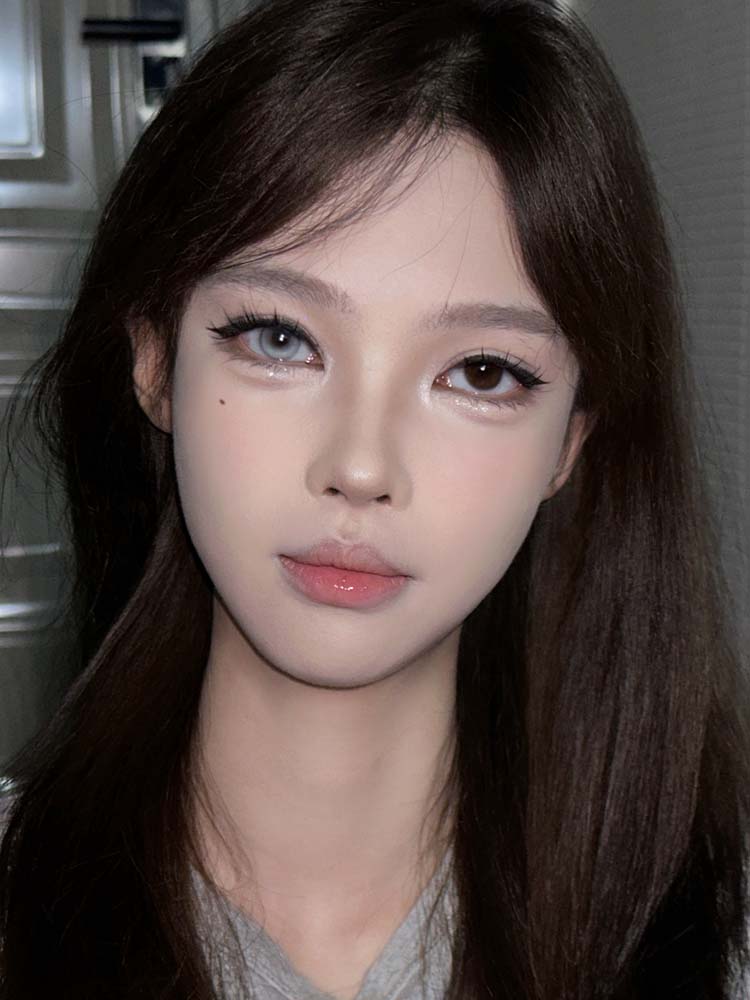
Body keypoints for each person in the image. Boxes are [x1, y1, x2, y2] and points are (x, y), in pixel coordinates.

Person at [1, 0, 749, 997]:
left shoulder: (717, 946)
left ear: (568, 442)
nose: (360, 466)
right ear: (155, 364)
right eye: (279, 338)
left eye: (482, 372)